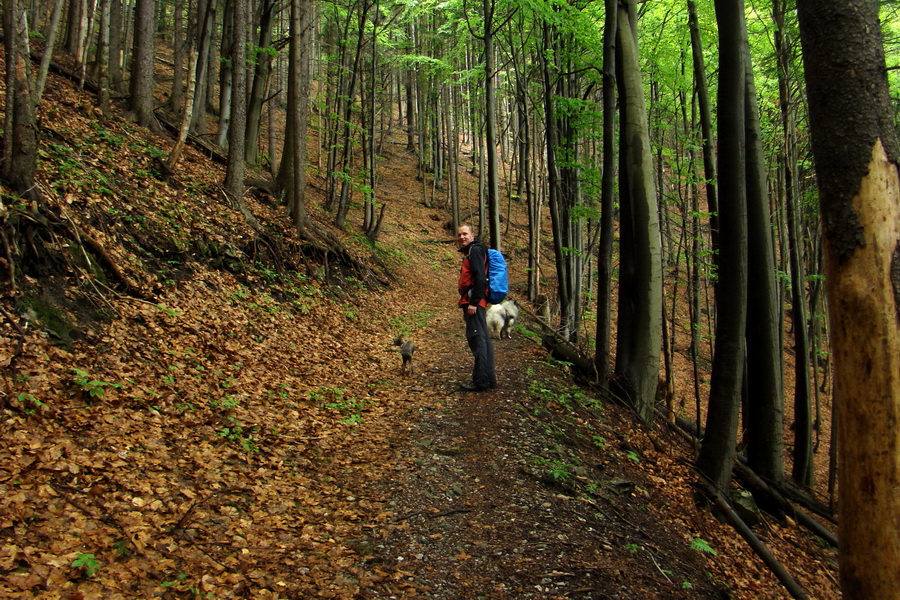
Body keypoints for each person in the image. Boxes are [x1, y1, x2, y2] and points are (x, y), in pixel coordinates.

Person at [456, 224, 496, 391]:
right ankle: (489, 379)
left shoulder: (475, 250)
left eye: (465, 234)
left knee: (477, 339)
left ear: (472, 235)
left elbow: (480, 277)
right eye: (459, 235)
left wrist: (474, 302)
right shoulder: (473, 251)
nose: (462, 237)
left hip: (475, 302)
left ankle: (480, 382)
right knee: (483, 339)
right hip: (475, 301)